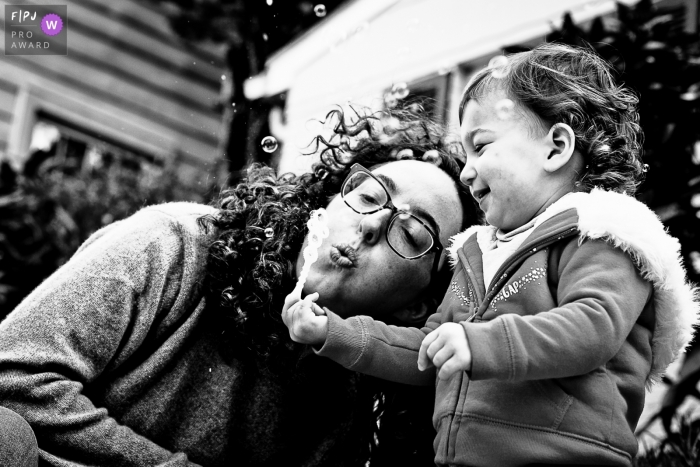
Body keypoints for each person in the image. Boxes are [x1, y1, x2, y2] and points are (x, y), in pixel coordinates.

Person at [282, 43, 700, 466]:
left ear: (555, 148)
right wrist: (332, 333)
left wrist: (478, 342)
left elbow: (592, 328)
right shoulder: (480, 254)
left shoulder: (603, 234)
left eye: (480, 147)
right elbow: (428, 349)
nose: (466, 172)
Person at [0, 107, 475, 466]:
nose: (371, 225)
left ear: (418, 307)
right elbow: (12, 374)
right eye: (367, 196)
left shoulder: (352, 408)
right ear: (325, 205)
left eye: (410, 234)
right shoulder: (174, 244)